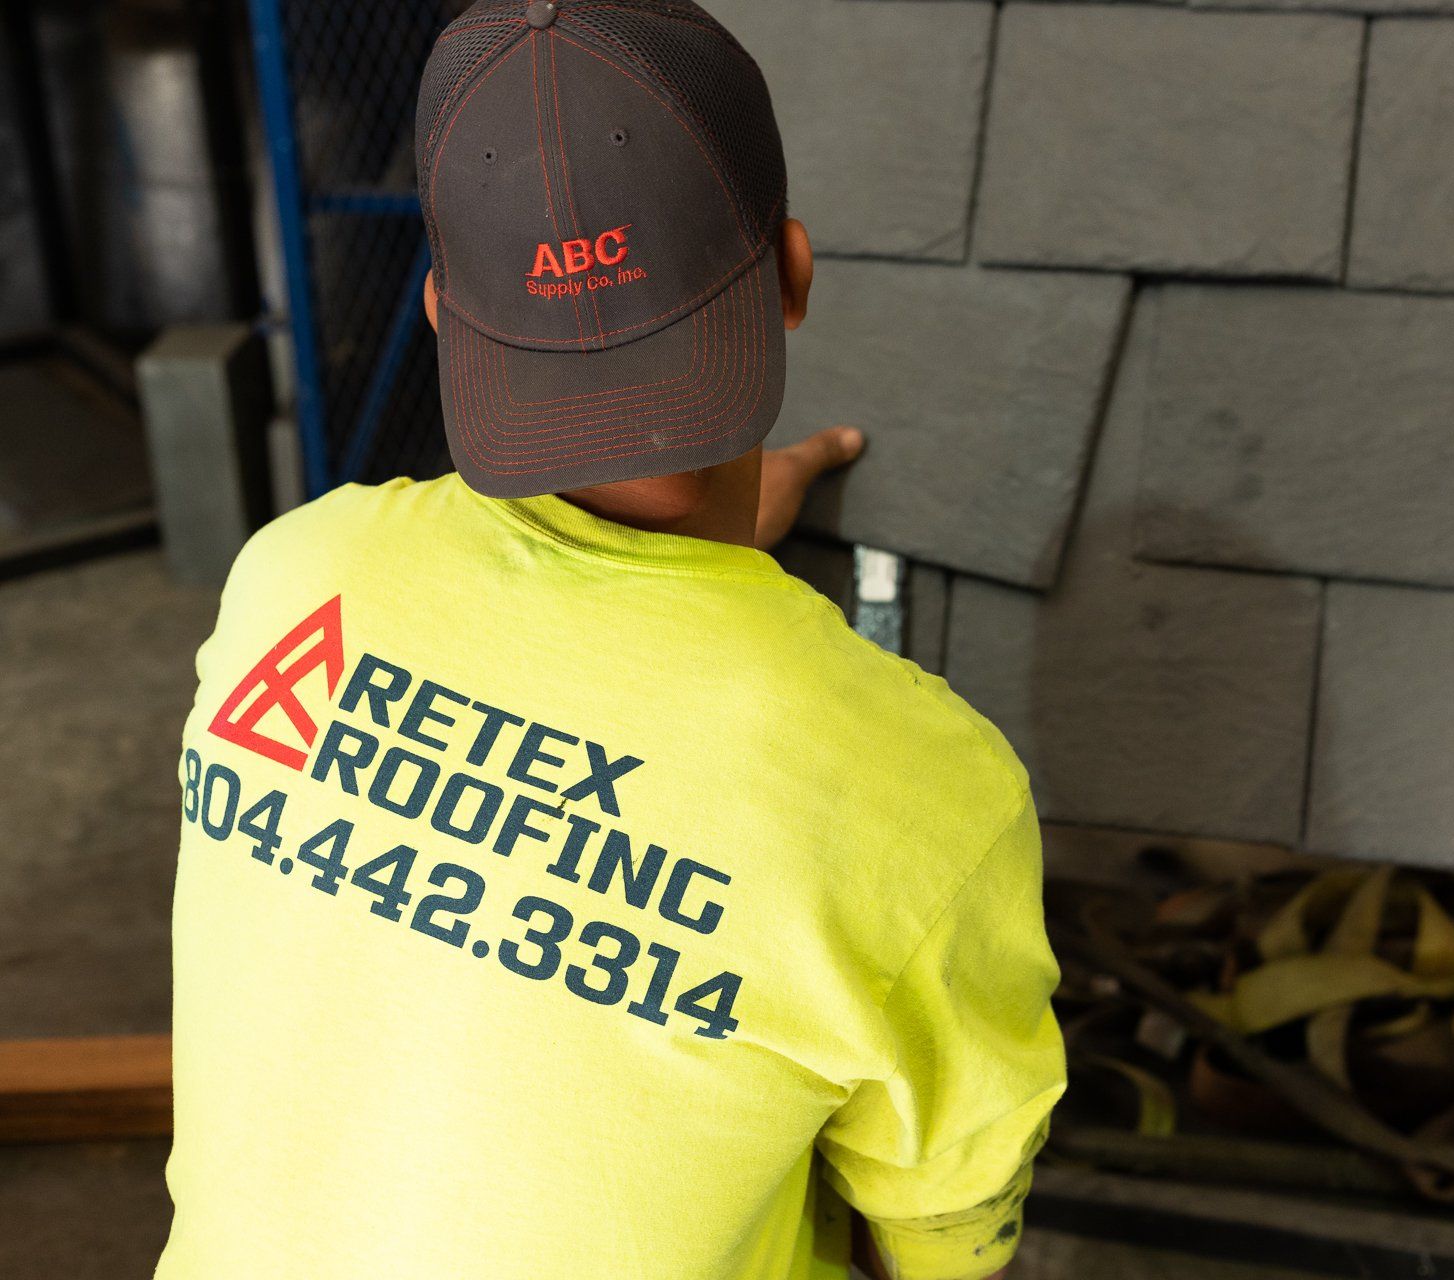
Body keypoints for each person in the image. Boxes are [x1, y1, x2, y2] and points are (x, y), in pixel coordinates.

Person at [154, 3, 1065, 1278]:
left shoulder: (294, 577)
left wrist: (706, 572)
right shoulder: (925, 791)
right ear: (793, 273)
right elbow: (942, 1243)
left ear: (437, 308)